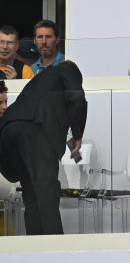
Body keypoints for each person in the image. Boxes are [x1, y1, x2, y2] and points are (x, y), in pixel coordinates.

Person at [0, 61, 87, 235]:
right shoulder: (67, 70)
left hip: (8, 129)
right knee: (47, 193)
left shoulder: (39, 82)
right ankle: (55, 250)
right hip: (37, 130)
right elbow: (77, 98)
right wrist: (77, 134)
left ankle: (36, 247)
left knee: (31, 195)